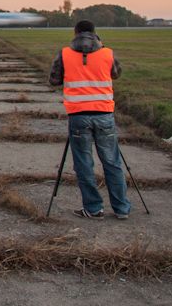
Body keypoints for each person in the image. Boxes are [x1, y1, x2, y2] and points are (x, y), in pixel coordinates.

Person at [49, 19, 131, 220]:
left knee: (84, 164)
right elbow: (116, 74)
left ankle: (93, 208)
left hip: (78, 116)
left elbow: (53, 80)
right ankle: (121, 209)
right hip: (104, 114)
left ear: (75, 33)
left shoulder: (65, 53)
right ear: (95, 33)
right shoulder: (107, 53)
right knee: (112, 162)